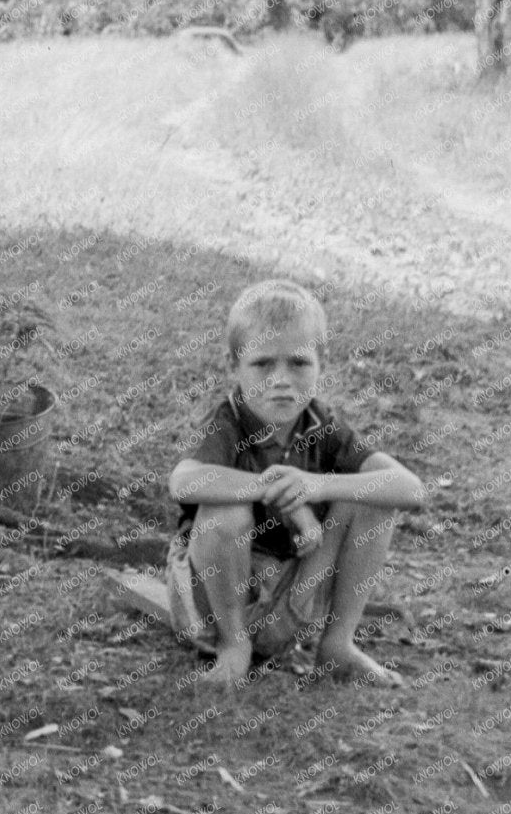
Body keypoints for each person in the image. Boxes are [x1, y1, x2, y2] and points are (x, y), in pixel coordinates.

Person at [166, 279, 427, 688]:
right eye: (263, 364)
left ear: (323, 362)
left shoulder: (322, 425)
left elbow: (409, 488)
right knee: (225, 509)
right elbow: (183, 481)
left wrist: (317, 487)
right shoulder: (227, 422)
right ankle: (234, 650)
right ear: (233, 366)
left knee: (371, 501)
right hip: (212, 605)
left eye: (299, 363)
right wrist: (280, 490)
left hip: (290, 598)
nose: (281, 380)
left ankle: (337, 646)